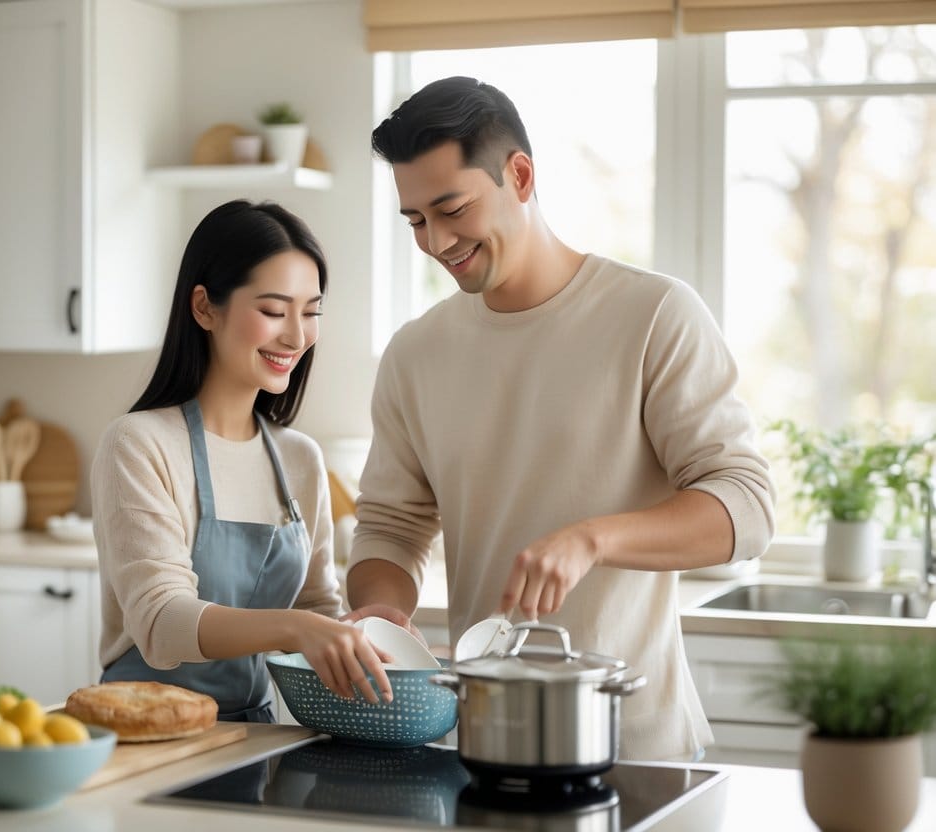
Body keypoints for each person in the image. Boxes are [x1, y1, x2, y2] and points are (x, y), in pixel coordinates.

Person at [346, 77, 776, 760]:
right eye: (415, 220)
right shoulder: (416, 353)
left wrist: (592, 539)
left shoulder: (652, 316)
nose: (434, 241)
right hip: (486, 745)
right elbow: (389, 528)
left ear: (519, 175)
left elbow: (745, 508)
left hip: (638, 750)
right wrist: (379, 608)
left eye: (451, 209)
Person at [92, 199, 392, 723]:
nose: (297, 336)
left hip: (252, 737)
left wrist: (358, 632)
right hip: (143, 730)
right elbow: (162, 622)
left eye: (311, 312)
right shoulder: (138, 444)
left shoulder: (300, 458)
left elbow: (315, 608)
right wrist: (299, 628)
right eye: (274, 311)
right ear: (205, 307)